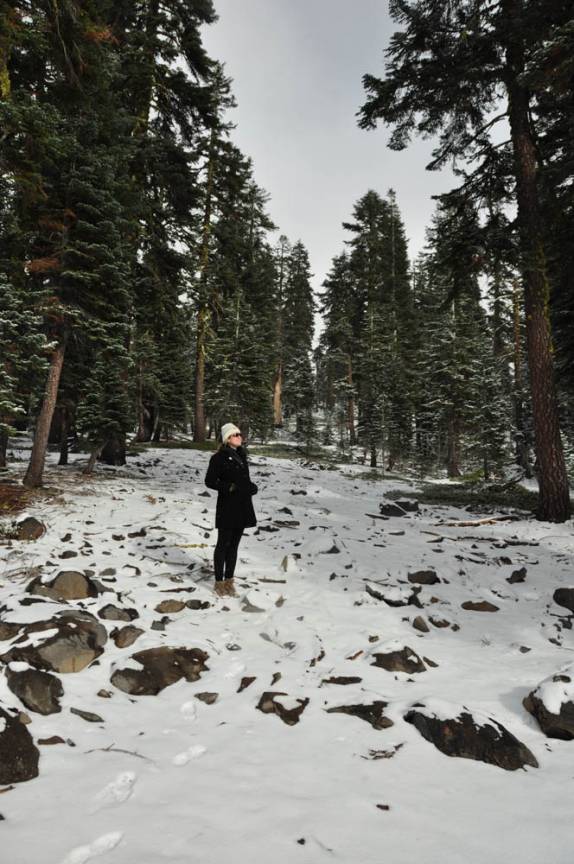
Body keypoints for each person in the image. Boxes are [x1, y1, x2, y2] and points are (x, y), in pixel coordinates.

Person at [204, 423, 258, 596]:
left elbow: (243, 480)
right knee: (223, 545)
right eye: (235, 435)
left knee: (234, 546)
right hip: (227, 506)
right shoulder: (218, 458)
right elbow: (210, 481)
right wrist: (231, 488)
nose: (240, 437)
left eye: (240, 434)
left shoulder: (242, 456)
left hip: (242, 506)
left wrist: (251, 487)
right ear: (228, 438)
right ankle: (219, 582)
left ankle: (229, 581)